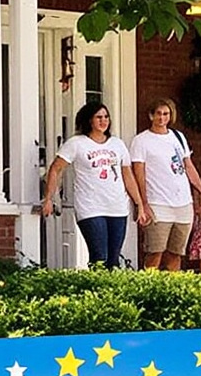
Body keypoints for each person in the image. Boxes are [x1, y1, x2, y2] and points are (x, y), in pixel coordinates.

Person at [39, 100, 134, 267]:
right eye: (98, 117)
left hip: (117, 206)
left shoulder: (117, 144)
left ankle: (110, 292)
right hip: (90, 207)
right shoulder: (77, 143)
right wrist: (48, 198)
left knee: (113, 259)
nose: (103, 121)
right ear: (89, 120)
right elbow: (55, 169)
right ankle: (95, 290)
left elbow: (127, 175)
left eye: (106, 117)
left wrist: (140, 203)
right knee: (99, 256)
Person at [127, 99, 201, 270]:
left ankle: (172, 289)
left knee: (176, 252)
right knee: (155, 251)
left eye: (166, 114)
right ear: (151, 116)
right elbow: (138, 172)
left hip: (183, 202)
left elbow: (188, 166)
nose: (162, 118)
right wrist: (143, 203)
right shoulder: (142, 140)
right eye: (158, 114)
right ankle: (150, 288)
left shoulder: (178, 137)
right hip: (158, 203)